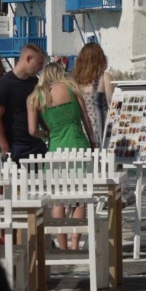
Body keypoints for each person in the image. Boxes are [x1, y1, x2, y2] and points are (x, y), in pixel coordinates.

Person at [28, 62, 96, 251]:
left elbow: (32, 130)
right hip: (77, 144)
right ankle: (75, 243)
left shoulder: (35, 97)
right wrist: (93, 141)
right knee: (80, 198)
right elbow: (86, 118)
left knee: (58, 199)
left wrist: (47, 134)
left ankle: (63, 245)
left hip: (56, 149)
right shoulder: (71, 88)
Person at [0, 43, 48, 161]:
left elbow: (39, 110)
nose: (41, 68)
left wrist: (47, 130)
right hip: (15, 147)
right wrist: (5, 147)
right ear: (28, 59)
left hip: (36, 144)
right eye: (39, 63)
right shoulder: (3, 85)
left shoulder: (34, 82)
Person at [71, 42, 113, 145]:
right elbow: (113, 104)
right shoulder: (104, 77)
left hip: (82, 130)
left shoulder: (75, 82)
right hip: (101, 129)